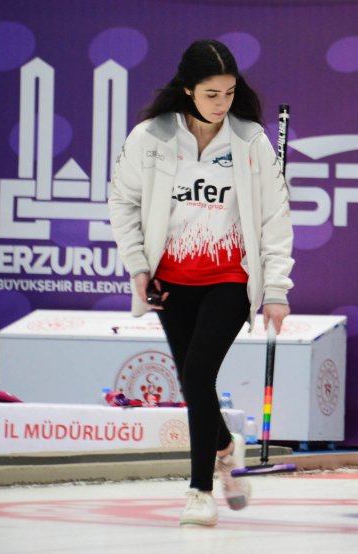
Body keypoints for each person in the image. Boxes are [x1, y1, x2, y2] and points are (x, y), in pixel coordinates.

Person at [109, 40, 294, 527]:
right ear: (187, 88)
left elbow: (276, 220)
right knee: (195, 382)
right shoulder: (149, 138)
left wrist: (275, 289)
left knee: (196, 376)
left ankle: (198, 491)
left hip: (229, 280)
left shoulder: (252, 141)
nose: (222, 103)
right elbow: (122, 203)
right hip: (170, 282)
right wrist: (138, 267)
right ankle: (226, 447)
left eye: (230, 92)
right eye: (212, 93)